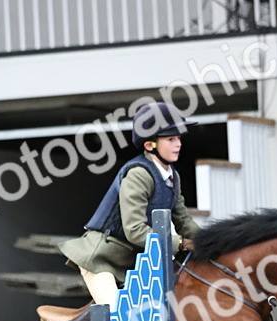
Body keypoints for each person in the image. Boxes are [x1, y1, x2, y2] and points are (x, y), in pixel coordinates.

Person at [59, 101, 201, 309]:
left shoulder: (172, 177)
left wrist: (210, 242)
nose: (178, 144)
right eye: (171, 139)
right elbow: (135, 230)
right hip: (102, 260)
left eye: (178, 138)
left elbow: (183, 220)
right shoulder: (138, 175)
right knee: (119, 313)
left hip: (132, 263)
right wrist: (180, 244)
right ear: (149, 145)